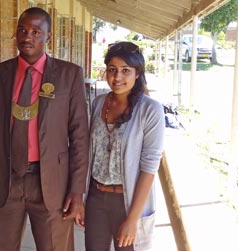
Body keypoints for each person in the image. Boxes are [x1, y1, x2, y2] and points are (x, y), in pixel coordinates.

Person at [0, 7, 89, 251]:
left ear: (48, 37)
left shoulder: (69, 75)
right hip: (4, 180)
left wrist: (77, 191)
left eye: (36, 31)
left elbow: (79, 138)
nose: (27, 37)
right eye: (23, 30)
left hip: (52, 184)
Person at [84, 41, 165, 251]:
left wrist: (132, 219)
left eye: (125, 71)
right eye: (112, 70)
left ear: (137, 74)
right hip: (96, 197)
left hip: (127, 202)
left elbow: (149, 167)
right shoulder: (98, 103)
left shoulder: (150, 110)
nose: (117, 77)